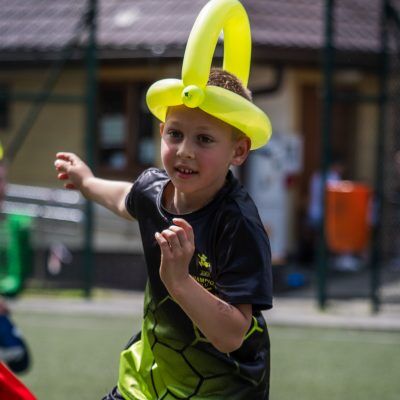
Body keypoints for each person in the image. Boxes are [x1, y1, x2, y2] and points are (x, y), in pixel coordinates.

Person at [54, 67, 273, 400]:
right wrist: (87, 182)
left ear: (239, 151)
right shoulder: (152, 189)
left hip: (223, 389)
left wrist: (179, 281)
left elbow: (231, 335)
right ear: (161, 132)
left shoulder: (238, 224)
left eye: (204, 139)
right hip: (148, 378)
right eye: (175, 134)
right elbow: (126, 199)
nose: (185, 150)